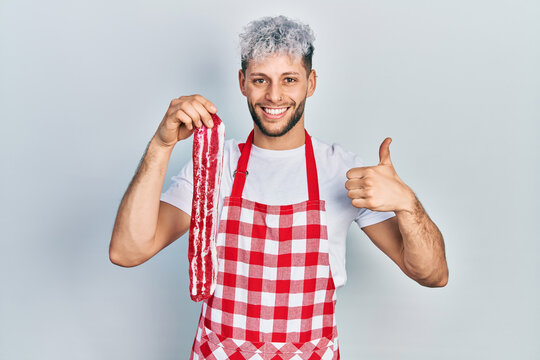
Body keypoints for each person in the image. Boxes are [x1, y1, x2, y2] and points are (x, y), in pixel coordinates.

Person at [109, 15, 448, 359]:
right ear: (242, 83)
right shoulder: (215, 165)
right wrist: (161, 146)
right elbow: (127, 251)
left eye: (289, 79)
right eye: (260, 79)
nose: (274, 95)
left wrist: (408, 205)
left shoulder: (342, 171)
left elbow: (433, 274)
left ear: (310, 83)